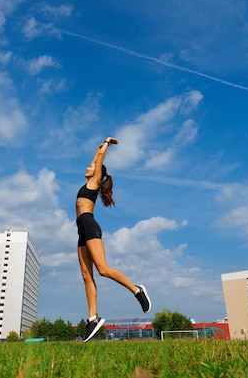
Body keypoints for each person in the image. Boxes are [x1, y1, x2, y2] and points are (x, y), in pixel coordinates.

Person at [76, 136, 151, 343]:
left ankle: (137, 290)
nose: (88, 167)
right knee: (85, 274)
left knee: (103, 269)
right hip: (80, 229)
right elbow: (96, 158)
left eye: (92, 166)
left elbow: (98, 159)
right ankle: (93, 318)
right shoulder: (89, 181)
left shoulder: (94, 180)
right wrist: (99, 148)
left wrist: (106, 143)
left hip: (89, 225)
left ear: (98, 173)